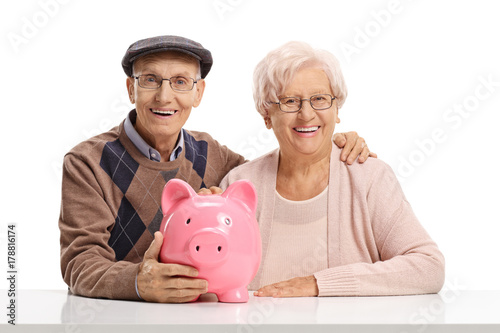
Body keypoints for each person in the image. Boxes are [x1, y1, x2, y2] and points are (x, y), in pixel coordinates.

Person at [58, 35, 374, 303]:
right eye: (150, 80)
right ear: (131, 89)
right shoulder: (88, 162)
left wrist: (329, 147)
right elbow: (79, 263)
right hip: (119, 319)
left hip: (199, 320)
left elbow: (273, 174)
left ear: (198, 93)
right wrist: (138, 282)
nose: (165, 96)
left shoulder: (212, 155)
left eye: (181, 82)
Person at [220, 41, 445, 297]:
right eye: (290, 101)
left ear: (336, 109)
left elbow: (429, 268)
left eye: (319, 99)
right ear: (266, 115)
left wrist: (318, 284)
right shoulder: (239, 185)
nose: (307, 114)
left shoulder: (369, 177)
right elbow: (212, 277)